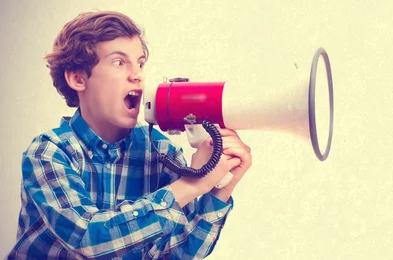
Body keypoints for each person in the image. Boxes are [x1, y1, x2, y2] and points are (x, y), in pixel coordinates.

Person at [7, 10, 252, 259]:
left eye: (141, 63)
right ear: (78, 78)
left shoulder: (161, 153)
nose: (138, 75)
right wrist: (193, 183)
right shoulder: (49, 152)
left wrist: (221, 186)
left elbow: (175, 253)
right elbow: (87, 239)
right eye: (119, 62)